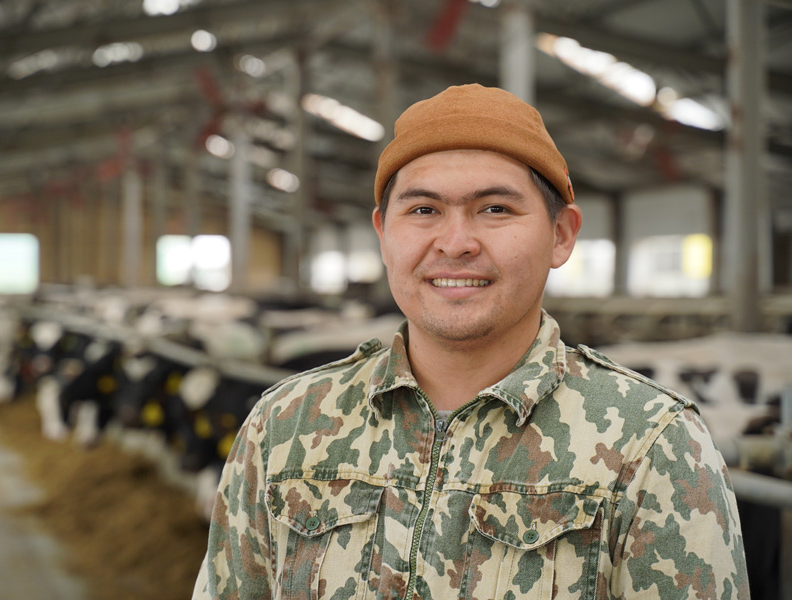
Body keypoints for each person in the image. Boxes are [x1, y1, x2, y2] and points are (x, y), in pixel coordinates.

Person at [192, 84, 750, 599]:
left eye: (495, 209)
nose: (455, 243)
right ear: (384, 235)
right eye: (423, 210)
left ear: (561, 235)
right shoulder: (284, 424)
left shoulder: (653, 444)